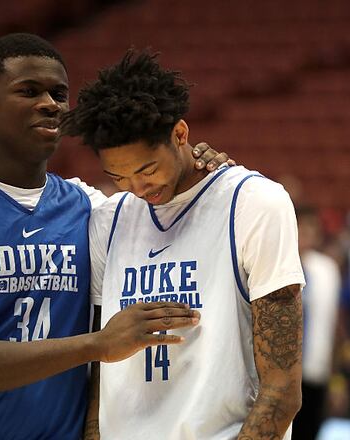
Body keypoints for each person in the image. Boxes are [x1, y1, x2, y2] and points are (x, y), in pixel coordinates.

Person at [0, 33, 228, 439]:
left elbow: (178, 214)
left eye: (59, 94)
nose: (51, 104)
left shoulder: (92, 207)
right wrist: (96, 345)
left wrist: (199, 168)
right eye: (28, 91)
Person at [63, 50, 305, 439]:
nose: (138, 189)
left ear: (180, 134)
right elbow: (98, 378)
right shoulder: (108, 219)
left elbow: (282, 391)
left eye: (147, 169)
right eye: (119, 176)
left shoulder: (253, 203)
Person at [293, 205, 341, 440]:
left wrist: (336, 380)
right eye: (302, 227)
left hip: (315, 371)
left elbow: (333, 326)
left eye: (313, 228)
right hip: (277, 371)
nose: (307, 234)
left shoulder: (327, 269)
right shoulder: (271, 264)